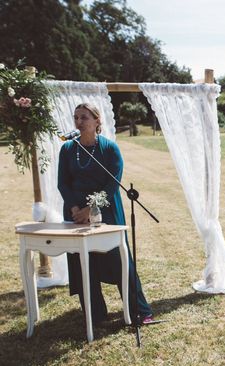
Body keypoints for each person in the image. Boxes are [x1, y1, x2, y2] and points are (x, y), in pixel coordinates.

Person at [57, 103, 154, 326]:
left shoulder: (110, 149)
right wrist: (74, 209)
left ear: (97, 121)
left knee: (120, 261)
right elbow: (63, 183)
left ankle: (139, 310)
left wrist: (90, 210)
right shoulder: (68, 149)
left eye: (84, 117)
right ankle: (95, 313)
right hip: (74, 214)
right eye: (76, 118)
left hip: (106, 211)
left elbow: (112, 184)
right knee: (83, 261)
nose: (79, 122)